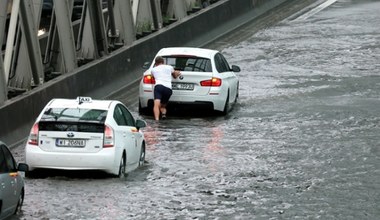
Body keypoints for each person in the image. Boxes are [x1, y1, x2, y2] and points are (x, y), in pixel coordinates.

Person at [151, 56, 181, 120]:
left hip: (159, 87)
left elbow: (153, 77)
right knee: (163, 105)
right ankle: (163, 113)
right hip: (168, 89)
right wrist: (178, 73)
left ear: (156, 63)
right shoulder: (169, 67)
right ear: (163, 62)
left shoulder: (153, 69)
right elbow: (175, 76)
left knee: (156, 104)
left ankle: (157, 119)